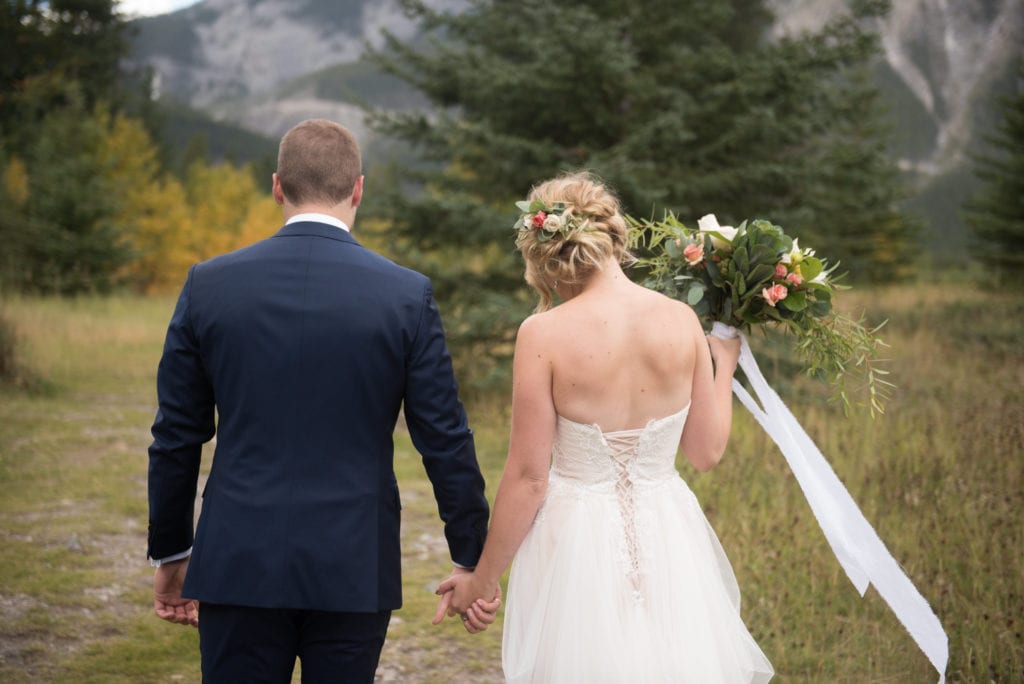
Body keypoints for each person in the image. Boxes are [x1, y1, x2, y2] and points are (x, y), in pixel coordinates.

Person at [147, 118, 498, 683]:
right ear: (358, 188)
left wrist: (171, 552)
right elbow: (444, 438)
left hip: (238, 557)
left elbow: (176, 436)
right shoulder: (406, 294)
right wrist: (471, 558)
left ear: (277, 186)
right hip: (353, 561)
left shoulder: (209, 283)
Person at [435, 172, 775, 682]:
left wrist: (482, 581)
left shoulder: (542, 333)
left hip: (576, 547)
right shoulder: (682, 320)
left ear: (545, 254)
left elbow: (530, 478)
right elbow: (705, 452)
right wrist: (723, 363)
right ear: (614, 236)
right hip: (669, 536)